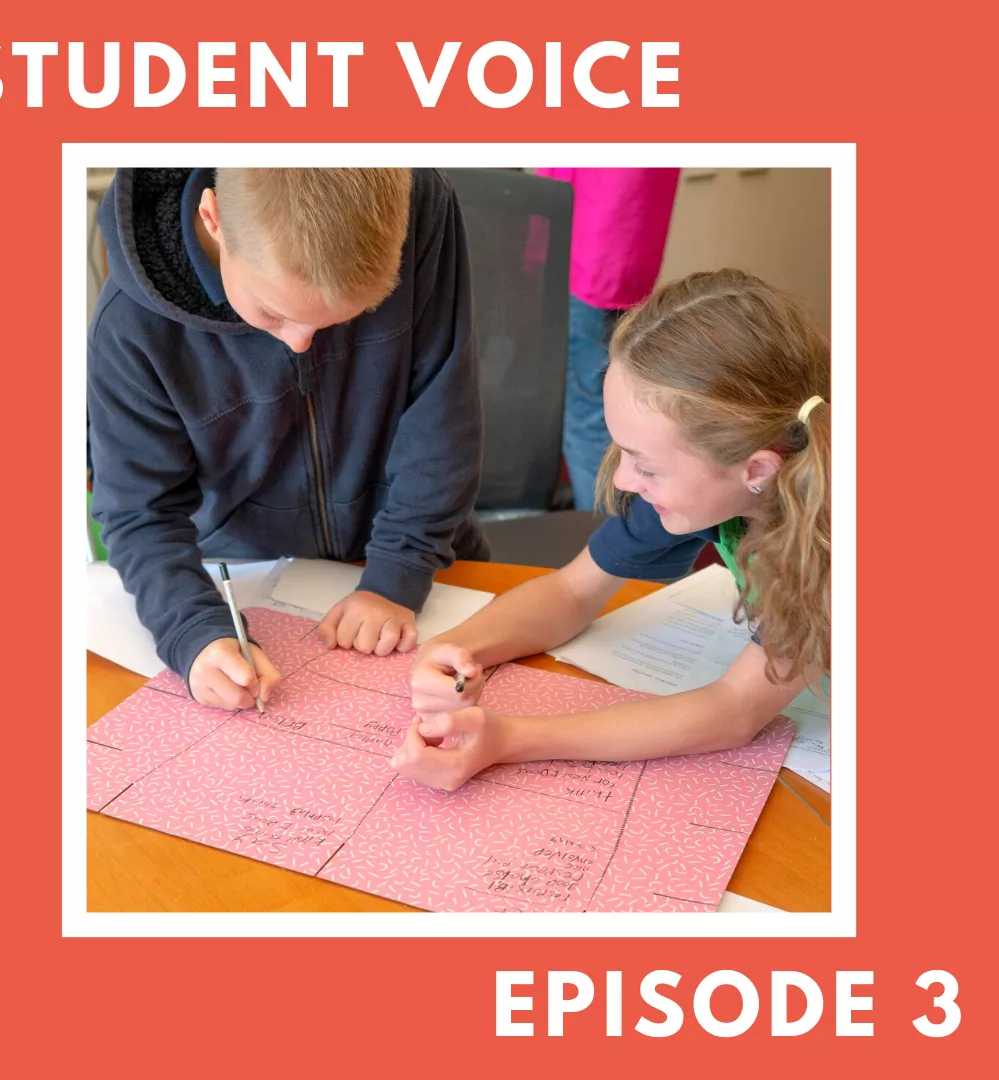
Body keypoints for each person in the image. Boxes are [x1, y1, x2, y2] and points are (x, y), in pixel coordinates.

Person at [392, 269, 830, 791]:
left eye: (645, 466)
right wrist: (453, 648)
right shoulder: (709, 483)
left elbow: (735, 709)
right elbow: (571, 591)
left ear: (756, 470)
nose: (624, 478)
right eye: (623, 451)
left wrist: (511, 740)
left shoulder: (829, 553)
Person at [88, 168, 488, 711]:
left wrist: (399, 573)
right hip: (245, 573)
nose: (300, 343)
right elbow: (141, 513)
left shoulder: (420, 205)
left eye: (349, 318)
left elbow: (443, 408)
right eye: (273, 313)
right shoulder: (130, 327)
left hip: (425, 556)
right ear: (214, 218)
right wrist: (193, 631)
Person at [536, 167, 679, 509]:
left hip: (594, 251)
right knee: (604, 402)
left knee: (589, 412)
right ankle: (611, 525)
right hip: (613, 245)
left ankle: (606, 533)